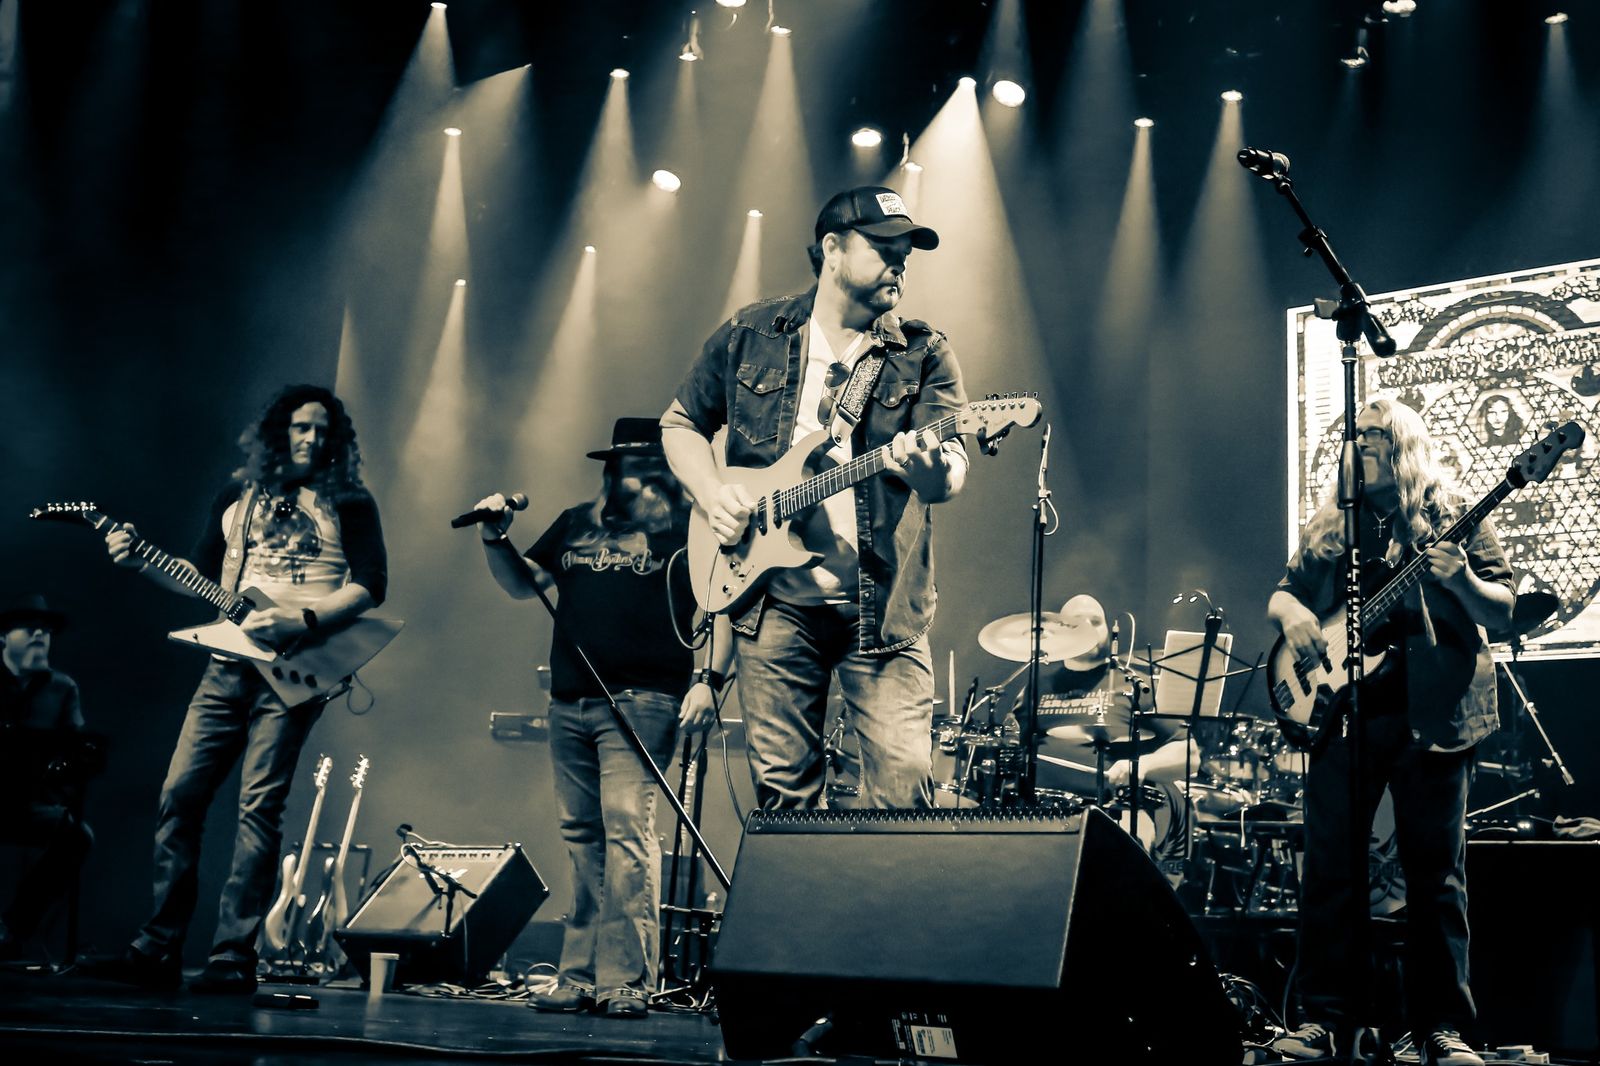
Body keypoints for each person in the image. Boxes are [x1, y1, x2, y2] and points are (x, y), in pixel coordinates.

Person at [660, 185, 968, 810]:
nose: (900, 263)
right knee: (783, 800)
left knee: (905, 787)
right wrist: (713, 495)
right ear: (832, 248)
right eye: (884, 248)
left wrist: (930, 468)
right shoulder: (752, 333)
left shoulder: (924, 352)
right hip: (772, 603)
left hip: (883, 609)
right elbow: (679, 423)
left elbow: (950, 476)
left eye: (905, 253)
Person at [86, 385, 387, 994]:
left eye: (323, 430)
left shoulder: (349, 500)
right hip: (225, 666)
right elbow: (198, 575)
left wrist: (303, 619)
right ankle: (158, 945)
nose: (312, 439)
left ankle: (231, 956)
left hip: (296, 669)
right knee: (179, 796)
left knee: (258, 808)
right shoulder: (237, 496)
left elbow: (371, 585)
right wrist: (140, 561)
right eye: (301, 428)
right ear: (277, 433)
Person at [1267, 398, 1513, 1066]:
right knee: (1330, 869)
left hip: (1434, 712)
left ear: (1402, 444)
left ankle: (1441, 1028)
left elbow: (1505, 609)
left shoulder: (1451, 514)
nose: (1359, 444)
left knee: (1436, 876)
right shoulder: (1333, 525)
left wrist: (1462, 579)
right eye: (1353, 435)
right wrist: (1293, 615)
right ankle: (1322, 1021)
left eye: (1372, 434)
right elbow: (1284, 592)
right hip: (1345, 714)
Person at [473, 417, 730, 1019]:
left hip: (644, 700)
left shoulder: (690, 528)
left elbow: (724, 606)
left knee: (627, 832)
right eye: (621, 464)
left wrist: (709, 681)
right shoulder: (575, 523)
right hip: (571, 700)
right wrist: (493, 539)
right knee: (583, 838)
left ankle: (626, 980)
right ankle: (579, 976)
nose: (630, 475)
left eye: (643, 463)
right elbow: (523, 584)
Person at [1025, 595, 1196, 860]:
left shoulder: (1136, 685)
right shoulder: (1037, 686)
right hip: (1040, 817)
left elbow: (1189, 754)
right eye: (1077, 623)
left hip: (1113, 816)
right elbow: (1013, 747)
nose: (1089, 629)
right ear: (1059, 632)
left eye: (1096, 622)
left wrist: (1141, 766)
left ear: (1110, 631)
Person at [0, 594, 95, 961]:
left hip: (29, 804)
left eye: (46, 630)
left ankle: (12, 929)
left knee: (76, 835)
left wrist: (64, 768)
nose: (40, 634)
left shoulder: (62, 688)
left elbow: (77, 749)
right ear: (3, 636)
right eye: (29, 627)